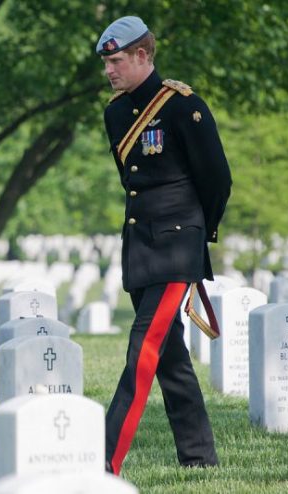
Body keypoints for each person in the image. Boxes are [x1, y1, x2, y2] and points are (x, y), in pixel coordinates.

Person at [95, 16, 232, 475]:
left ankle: (103, 464)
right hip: (140, 246)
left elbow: (216, 179)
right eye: (106, 63)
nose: (109, 71)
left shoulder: (182, 106)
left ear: (142, 55)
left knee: (143, 351)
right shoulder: (115, 113)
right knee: (171, 358)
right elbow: (130, 184)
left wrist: (197, 238)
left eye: (116, 60)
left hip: (176, 248)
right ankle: (199, 458)